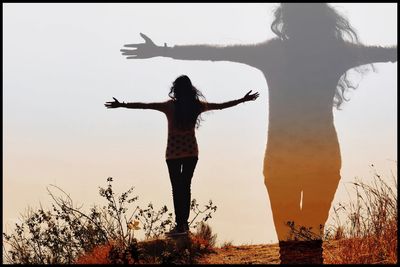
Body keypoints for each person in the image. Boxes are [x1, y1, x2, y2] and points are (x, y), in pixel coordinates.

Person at [120, 3, 397, 263]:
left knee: (292, 247)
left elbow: (217, 52)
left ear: (285, 18)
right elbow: (388, 53)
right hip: (321, 160)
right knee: (311, 244)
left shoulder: (275, 52)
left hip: (282, 162)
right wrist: (163, 50)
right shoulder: (336, 52)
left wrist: (163, 50)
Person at [105, 75, 259, 236]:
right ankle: (183, 225)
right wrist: (243, 99)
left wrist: (122, 105)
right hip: (191, 153)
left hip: (172, 154)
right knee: (185, 186)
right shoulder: (196, 106)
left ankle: (180, 225)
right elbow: (221, 106)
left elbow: (145, 106)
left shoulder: (170, 106)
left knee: (177, 188)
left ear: (175, 89)